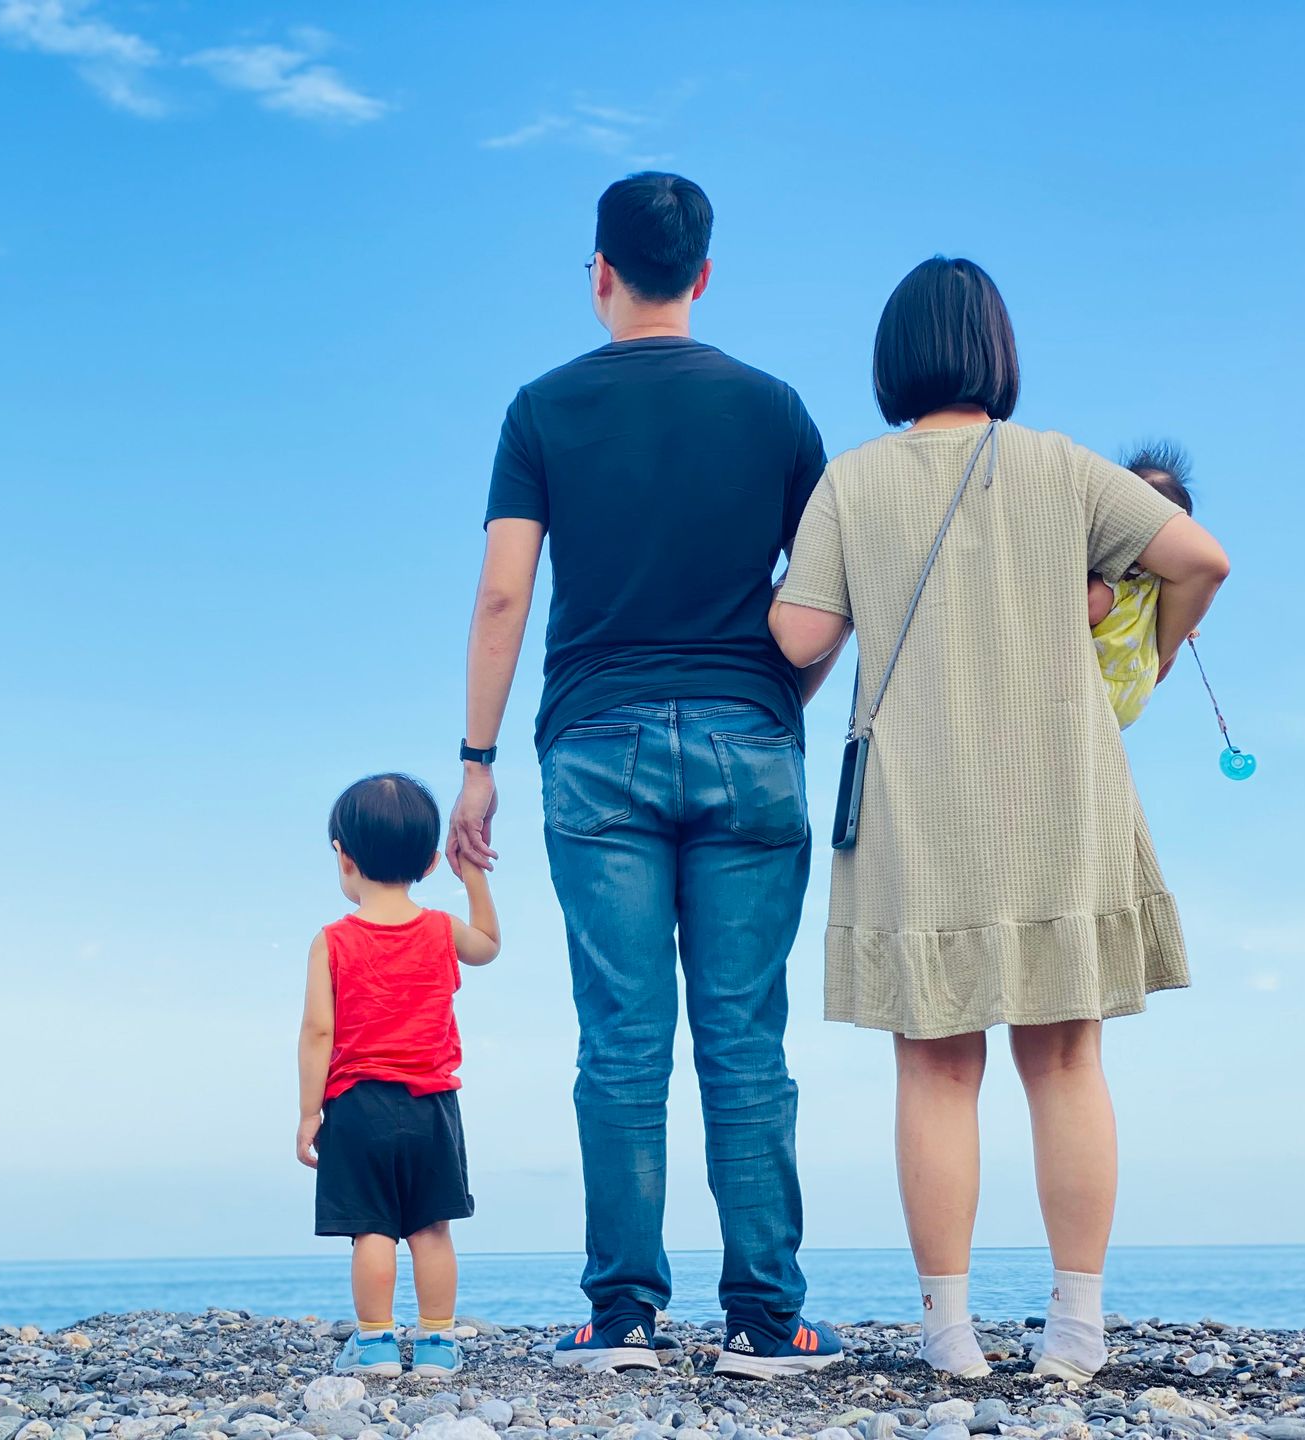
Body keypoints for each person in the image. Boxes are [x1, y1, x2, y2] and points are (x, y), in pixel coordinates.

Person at [770, 257, 1231, 1384]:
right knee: (1065, 1061)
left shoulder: (855, 480)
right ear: (998, 352)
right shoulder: (1059, 466)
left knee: (935, 1069)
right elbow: (1200, 559)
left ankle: (950, 1335)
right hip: (1060, 792)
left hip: (919, 802)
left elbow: (798, 638)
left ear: (893, 358)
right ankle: (1076, 1331)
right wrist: (1149, 661)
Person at [447, 172, 845, 1378]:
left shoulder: (542, 409)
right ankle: (767, 1322)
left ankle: (621, 1317)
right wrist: (774, 701)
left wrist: (476, 761)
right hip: (750, 740)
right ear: (704, 275)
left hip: (596, 741)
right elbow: (829, 601)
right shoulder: (776, 410)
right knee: (744, 1037)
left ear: (602, 275)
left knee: (621, 1037)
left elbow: (504, 595)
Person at [297, 773, 500, 1378]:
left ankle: (376, 1344)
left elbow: (317, 1032)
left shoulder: (332, 941)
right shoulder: (441, 929)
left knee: (372, 1231)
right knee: (431, 1229)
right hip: (431, 1105)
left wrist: (309, 1112)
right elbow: (488, 945)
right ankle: (436, 1344)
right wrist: (475, 876)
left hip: (357, 1104)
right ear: (431, 862)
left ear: (344, 856)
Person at [1087, 442, 1199, 726]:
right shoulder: (1165, 588)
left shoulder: (1115, 573)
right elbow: (1164, 663)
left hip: (1095, 685)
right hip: (1132, 698)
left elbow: (1093, 609)